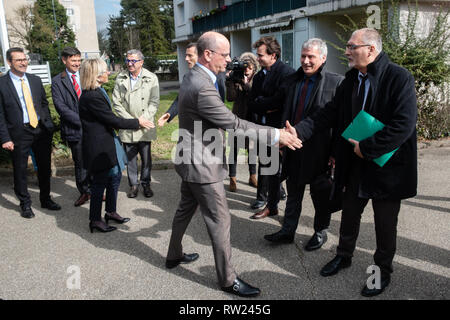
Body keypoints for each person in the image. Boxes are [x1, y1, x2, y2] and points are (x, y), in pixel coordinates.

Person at [165, 31, 302, 297]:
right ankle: (228, 280)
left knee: (185, 210)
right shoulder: (201, 86)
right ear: (208, 55)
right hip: (201, 164)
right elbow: (234, 123)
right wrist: (277, 134)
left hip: (192, 159)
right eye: (225, 54)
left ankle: (173, 254)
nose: (229, 59)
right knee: (220, 219)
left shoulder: (196, 76)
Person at [294, 28, 417, 297]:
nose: (346, 51)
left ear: (371, 49)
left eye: (352, 46)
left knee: (385, 224)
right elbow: (329, 112)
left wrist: (368, 147)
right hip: (355, 164)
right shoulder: (351, 78)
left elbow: (404, 124)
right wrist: (300, 130)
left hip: (388, 167)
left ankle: (381, 271)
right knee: (349, 214)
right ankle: (343, 255)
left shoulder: (399, 77)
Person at [264, 38, 344, 250]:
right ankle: (287, 231)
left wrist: (335, 153)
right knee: (294, 193)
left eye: (311, 57)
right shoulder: (292, 80)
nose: (306, 61)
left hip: (320, 151)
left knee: (320, 196)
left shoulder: (336, 82)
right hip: (292, 148)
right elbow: (285, 112)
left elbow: (340, 123)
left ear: (323, 58)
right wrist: (280, 139)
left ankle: (320, 231)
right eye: (303, 56)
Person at [79, 58, 153, 233]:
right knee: (99, 184)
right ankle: (95, 220)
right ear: (96, 75)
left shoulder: (99, 91)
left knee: (115, 177)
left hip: (108, 143)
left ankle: (111, 212)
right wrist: (137, 122)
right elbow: (111, 119)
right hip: (99, 148)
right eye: (105, 71)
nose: (108, 73)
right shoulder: (91, 96)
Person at [0, 47, 61, 219]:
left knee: (44, 168)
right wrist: (5, 138)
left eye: (24, 59)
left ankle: (45, 199)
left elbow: (43, 103)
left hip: (40, 130)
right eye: (19, 60)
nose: (23, 62)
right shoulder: (2, 84)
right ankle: (25, 204)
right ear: (9, 62)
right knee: (20, 170)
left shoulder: (34, 80)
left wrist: (47, 124)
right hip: (19, 133)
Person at [248, 36, 295, 216]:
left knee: (275, 166)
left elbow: (281, 101)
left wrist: (265, 103)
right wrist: (265, 104)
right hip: (261, 126)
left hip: (278, 128)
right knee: (264, 162)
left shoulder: (286, 73)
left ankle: (272, 201)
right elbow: (252, 102)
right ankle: (262, 197)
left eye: (260, 55)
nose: (257, 59)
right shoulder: (259, 75)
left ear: (273, 55)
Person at [112, 49, 160, 199]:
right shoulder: (120, 78)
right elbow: (116, 102)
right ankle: (133, 185)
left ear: (141, 62)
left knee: (146, 159)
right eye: (128, 60)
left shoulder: (151, 78)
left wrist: (143, 120)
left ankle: (146, 183)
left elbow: (154, 102)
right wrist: (132, 122)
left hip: (145, 125)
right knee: (131, 158)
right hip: (128, 125)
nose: (130, 63)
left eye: (133, 61)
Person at [52, 47, 90, 207]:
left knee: (94, 160)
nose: (77, 64)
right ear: (64, 60)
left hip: (92, 128)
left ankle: (96, 190)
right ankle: (84, 192)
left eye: (79, 60)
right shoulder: (57, 81)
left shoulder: (86, 76)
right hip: (75, 129)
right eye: (73, 60)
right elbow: (61, 107)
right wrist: (82, 121)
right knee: (80, 162)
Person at [157, 43, 226, 127]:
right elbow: (181, 99)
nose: (186, 59)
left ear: (201, 57)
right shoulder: (188, 77)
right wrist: (170, 113)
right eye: (186, 55)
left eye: (190, 56)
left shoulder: (218, 76)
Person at [225, 52, 259, 192]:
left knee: (252, 149)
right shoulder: (236, 78)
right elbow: (230, 98)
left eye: (249, 68)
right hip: (237, 118)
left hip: (251, 119)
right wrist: (230, 82)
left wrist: (245, 85)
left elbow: (254, 96)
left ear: (254, 69)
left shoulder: (257, 80)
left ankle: (252, 176)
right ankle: (232, 178)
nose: (246, 71)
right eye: (244, 68)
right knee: (234, 149)